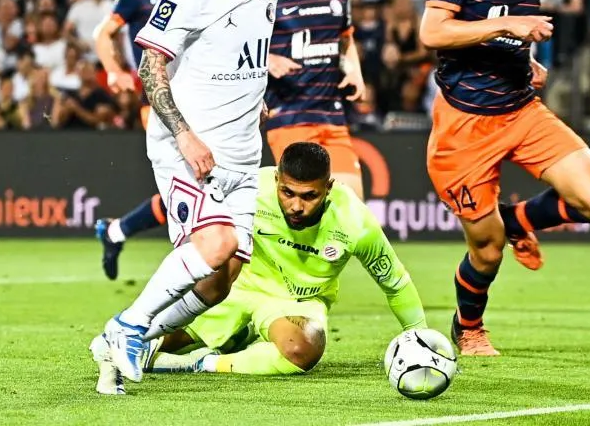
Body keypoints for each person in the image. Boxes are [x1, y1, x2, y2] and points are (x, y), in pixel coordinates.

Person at [99, 0, 301, 385]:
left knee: (219, 282)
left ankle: (123, 340)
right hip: (189, 147)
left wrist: (256, 96)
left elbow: (242, 47)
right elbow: (151, 65)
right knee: (216, 242)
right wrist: (185, 135)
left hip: (241, 150)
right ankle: (130, 324)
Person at [419, 0, 590, 356]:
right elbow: (433, 31)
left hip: (521, 110)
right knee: (485, 254)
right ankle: (468, 329)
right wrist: (508, 29)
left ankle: (515, 221)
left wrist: (524, 59)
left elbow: (509, 18)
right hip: (464, 125)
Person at [90, 142, 426, 394]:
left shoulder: (355, 220)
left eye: (309, 196)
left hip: (296, 302)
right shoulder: (252, 186)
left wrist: (419, 336)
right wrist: (125, 228)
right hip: (237, 289)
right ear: (277, 179)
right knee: (156, 339)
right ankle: (138, 335)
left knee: (302, 348)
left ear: (329, 188)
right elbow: (180, 203)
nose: (296, 205)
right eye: (287, 192)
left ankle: (201, 363)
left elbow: (394, 282)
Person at [92, 0, 188, 280]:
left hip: (200, 99)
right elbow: (104, 34)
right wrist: (115, 70)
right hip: (159, 103)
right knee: (190, 181)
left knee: (188, 185)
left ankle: (115, 232)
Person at [265, 0, 367, 199]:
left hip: (331, 115)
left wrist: (355, 73)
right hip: (289, 116)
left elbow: (346, 41)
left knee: (352, 206)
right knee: (304, 204)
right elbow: (236, 43)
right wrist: (267, 60)